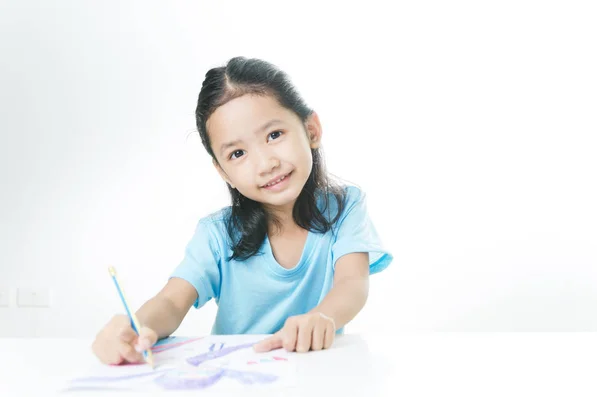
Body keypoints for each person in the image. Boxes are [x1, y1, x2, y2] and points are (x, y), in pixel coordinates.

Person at [92, 56, 392, 365]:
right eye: (238, 153)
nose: (266, 164)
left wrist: (320, 317)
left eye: (274, 135)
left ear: (311, 129)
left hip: (315, 374)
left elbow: (352, 284)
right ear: (223, 171)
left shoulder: (345, 207)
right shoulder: (217, 233)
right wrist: (136, 328)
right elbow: (171, 300)